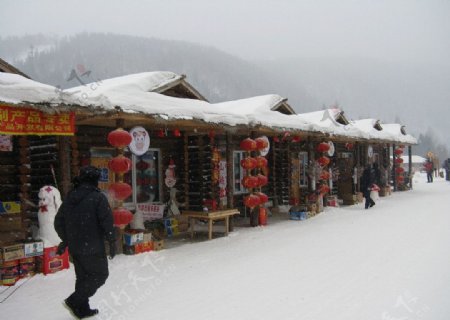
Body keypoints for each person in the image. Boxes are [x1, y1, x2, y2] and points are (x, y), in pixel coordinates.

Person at [55, 166, 115, 319]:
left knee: (83, 277)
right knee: (100, 275)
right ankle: (75, 300)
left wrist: (67, 239)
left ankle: (82, 309)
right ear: (95, 180)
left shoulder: (70, 197)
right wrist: (112, 241)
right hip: (93, 247)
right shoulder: (98, 197)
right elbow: (106, 222)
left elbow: (58, 222)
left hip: (76, 248)